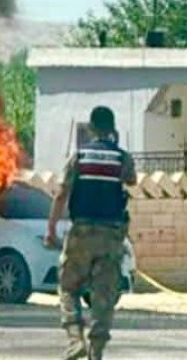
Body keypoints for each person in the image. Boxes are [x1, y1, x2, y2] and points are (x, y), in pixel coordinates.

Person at [46, 106, 136, 360]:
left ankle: (75, 340)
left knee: (68, 287)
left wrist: (51, 229)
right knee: (104, 296)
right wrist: (116, 146)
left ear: (92, 128)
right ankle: (96, 352)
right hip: (111, 236)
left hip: (81, 233)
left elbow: (62, 193)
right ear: (112, 127)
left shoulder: (79, 157)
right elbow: (132, 180)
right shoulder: (122, 158)